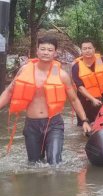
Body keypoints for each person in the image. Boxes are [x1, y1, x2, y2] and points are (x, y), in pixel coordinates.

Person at [0, 36, 91, 165]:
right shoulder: (25, 70)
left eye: (49, 50)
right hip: (32, 124)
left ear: (55, 53)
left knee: (54, 163)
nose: (46, 52)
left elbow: (74, 99)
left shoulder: (62, 75)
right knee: (34, 163)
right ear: (37, 51)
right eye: (42, 49)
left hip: (54, 124)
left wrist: (85, 121)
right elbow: (9, 92)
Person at [71, 40, 103, 126]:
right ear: (81, 51)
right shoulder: (76, 67)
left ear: (94, 49)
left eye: (90, 48)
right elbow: (80, 87)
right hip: (84, 100)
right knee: (85, 126)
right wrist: (92, 99)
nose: (87, 51)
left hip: (101, 97)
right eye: (84, 49)